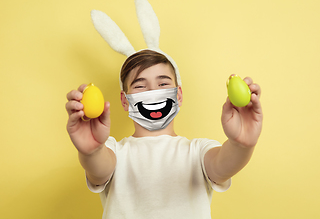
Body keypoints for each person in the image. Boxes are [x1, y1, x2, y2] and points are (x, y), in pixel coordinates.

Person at [65, 49, 263, 219]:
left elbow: (222, 166)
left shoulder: (198, 150)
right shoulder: (113, 151)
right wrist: (92, 150)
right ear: (125, 101)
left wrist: (241, 144)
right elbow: (99, 169)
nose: (152, 91)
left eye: (163, 84)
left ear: (178, 95)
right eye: (140, 86)